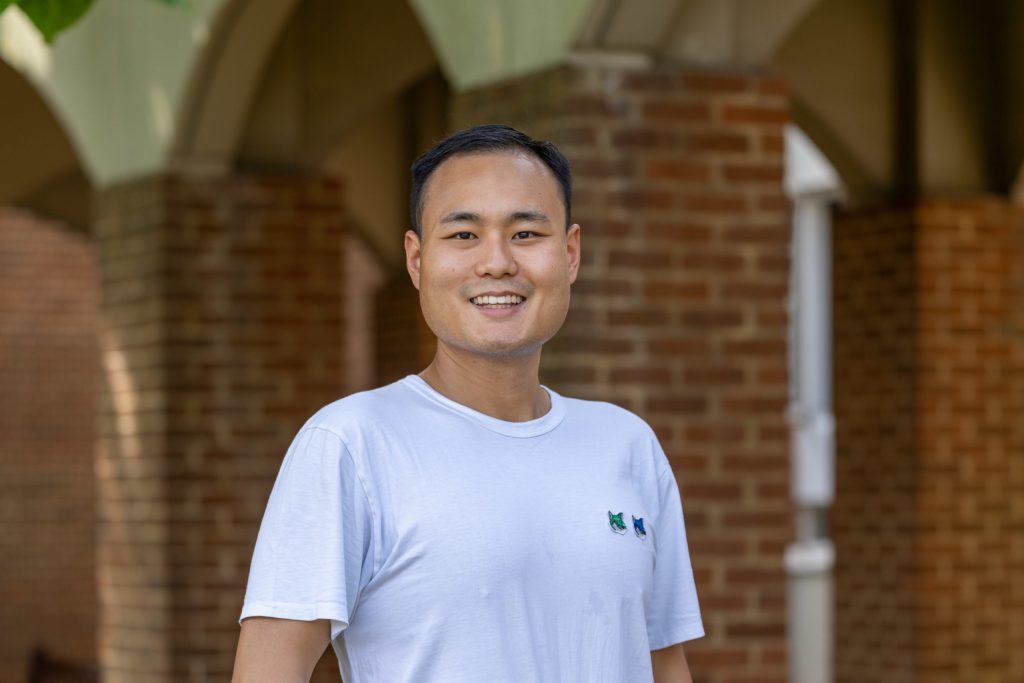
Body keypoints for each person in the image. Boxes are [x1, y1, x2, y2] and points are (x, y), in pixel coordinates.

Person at [232, 124, 703, 682]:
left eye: (526, 233)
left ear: (571, 253)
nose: (497, 263)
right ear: (416, 259)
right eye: (463, 236)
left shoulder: (628, 445)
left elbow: (663, 665)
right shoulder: (351, 444)